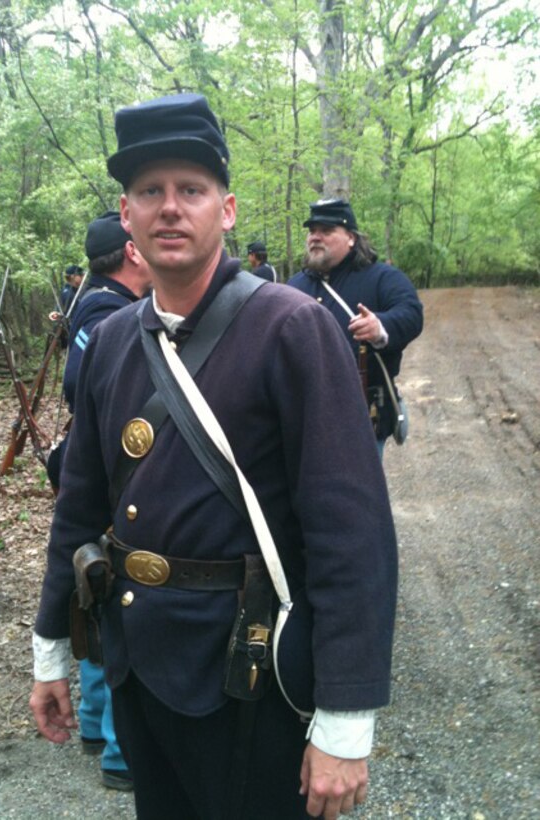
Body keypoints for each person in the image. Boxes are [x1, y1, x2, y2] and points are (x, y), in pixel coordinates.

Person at [30, 94, 398, 820]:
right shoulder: (108, 342)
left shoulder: (292, 329)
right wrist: (50, 650)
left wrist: (347, 720)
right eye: (149, 192)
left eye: (190, 190)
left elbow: (350, 532)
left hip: (251, 671)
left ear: (224, 210)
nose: (170, 207)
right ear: (127, 217)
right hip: (138, 664)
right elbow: (79, 508)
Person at [46, 211, 151, 791]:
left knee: (92, 588)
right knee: (108, 595)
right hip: (117, 476)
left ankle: (91, 724)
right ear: (132, 253)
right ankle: (117, 748)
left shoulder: (91, 306)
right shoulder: (115, 316)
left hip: (103, 471)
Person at [288, 199, 423, 457]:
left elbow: (411, 314)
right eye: (312, 231)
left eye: (326, 231)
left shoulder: (383, 277)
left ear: (350, 238)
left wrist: (380, 327)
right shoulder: (294, 285)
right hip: (304, 417)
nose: (315, 237)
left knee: (358, 496)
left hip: (363, 416)